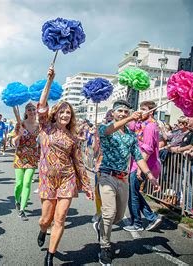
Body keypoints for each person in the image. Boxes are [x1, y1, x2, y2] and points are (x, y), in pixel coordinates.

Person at [36, 67, 93, 266]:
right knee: (46, 218)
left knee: (60, 218)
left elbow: (79, 162)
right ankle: (43, 229)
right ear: (56, 113)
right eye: (62, 111)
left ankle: (50, 255)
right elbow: (41, 105)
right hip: (47, 178)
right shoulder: (46, 127)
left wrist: (86, 185)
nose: (65, 115)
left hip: (67, 178)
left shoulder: (73, 137)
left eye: (68, 112)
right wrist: (49, 81)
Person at [94, 99, 159, 265]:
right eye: (120, 111)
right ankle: (104, 247)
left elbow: (138, 156)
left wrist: (150, 175)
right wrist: (130, 119)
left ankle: (101, 226)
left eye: (126, 112)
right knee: (109, 213)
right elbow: (109, 130)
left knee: (117, 217)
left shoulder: (131, 136)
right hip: (107, 177)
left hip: (123, 179)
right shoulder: (105, 128)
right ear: (113, 113)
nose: (123, 114)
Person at [124, 101, 163, 232]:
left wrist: (141, 168)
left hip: (144, 164)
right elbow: (129, 125)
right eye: (140, 108)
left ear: (151, 112)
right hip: (135, 163)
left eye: (144, 109)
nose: (141, 111)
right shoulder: (141, 123)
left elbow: (147, 149)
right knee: (133, 192)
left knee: (133, 194)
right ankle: (150, 217)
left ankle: (138, 223)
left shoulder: (151, 126)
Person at [13, 103, 39, 220]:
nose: (32, 112)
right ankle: (17, 200)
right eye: (29, 110)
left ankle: (22, 209)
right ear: (26, 112)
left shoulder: (40, 126)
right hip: (20, 156)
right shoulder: (20, 124)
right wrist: (19, 135)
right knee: (19, 183)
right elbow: (13, 141)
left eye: (34, 109)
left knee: (27, 182)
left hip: (33, 157)